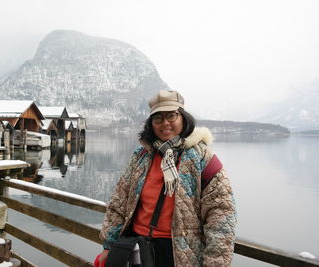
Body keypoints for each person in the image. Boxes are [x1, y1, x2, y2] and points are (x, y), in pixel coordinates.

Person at [97, 90, 237, 267]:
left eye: (172, 116)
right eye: (158, 118)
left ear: (183, 118)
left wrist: (215, 263)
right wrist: (109, 245)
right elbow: (119, 202)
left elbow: (221, 215)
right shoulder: (141, 157)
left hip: (178, 254)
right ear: (151, 123)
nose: (165, 123)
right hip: (135, 249)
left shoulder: (203, 159)